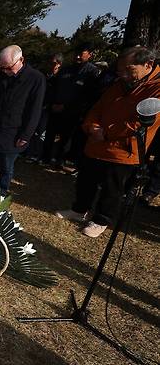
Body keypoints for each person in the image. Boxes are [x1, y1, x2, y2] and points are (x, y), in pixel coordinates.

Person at [56, 46, 160, 238]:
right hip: (97, 143)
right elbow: (97, 108)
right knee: (86, 179)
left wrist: (108, 132)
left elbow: (142, 123)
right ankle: (80, 209)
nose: (125, 75)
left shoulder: (156, 87)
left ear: (148, 64)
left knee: (112, 187)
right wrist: (91, 126)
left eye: (130, 70)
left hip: (123, 150)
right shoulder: (118, 84)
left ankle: (102, 219)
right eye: (121, 70)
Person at [0, 45, 45, 200]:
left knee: (7, 165)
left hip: (15, 130)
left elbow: (35, 110)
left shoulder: (36, 79)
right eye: (2, 68)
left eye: (8, 68)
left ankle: (1, 192)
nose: (5, 71)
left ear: (21, 60)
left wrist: (26, 135)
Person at [42, 43, 101, 169]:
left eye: (82, 54)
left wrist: (68, 107)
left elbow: (87, 96)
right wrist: (52, 104)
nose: (78, 57)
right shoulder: (65, 69)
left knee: (66, 138)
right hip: (55, 109)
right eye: (76, 54)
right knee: (49, 134)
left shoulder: (92, 72)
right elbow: (54, 87)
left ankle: (60, 160)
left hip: (73, 112)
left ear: (89, 55)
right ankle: (45, 157)